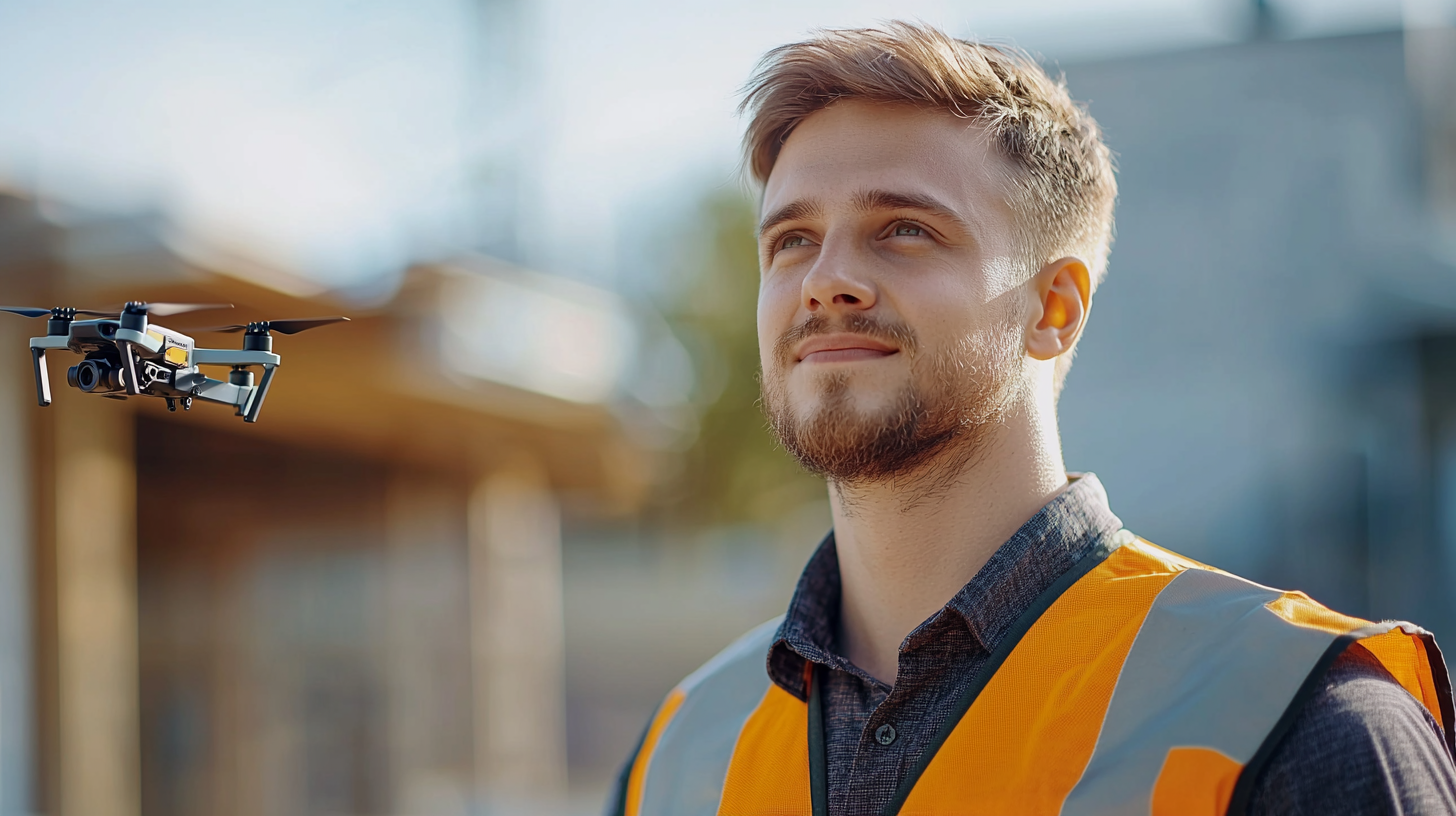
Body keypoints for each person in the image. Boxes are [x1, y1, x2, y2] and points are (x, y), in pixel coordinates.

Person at [607, 22, 1456, 816]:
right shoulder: (675, 756)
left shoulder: (1304, 720)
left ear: (1053, 306)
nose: (827, 280)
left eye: (903, 229)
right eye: (791, 240)